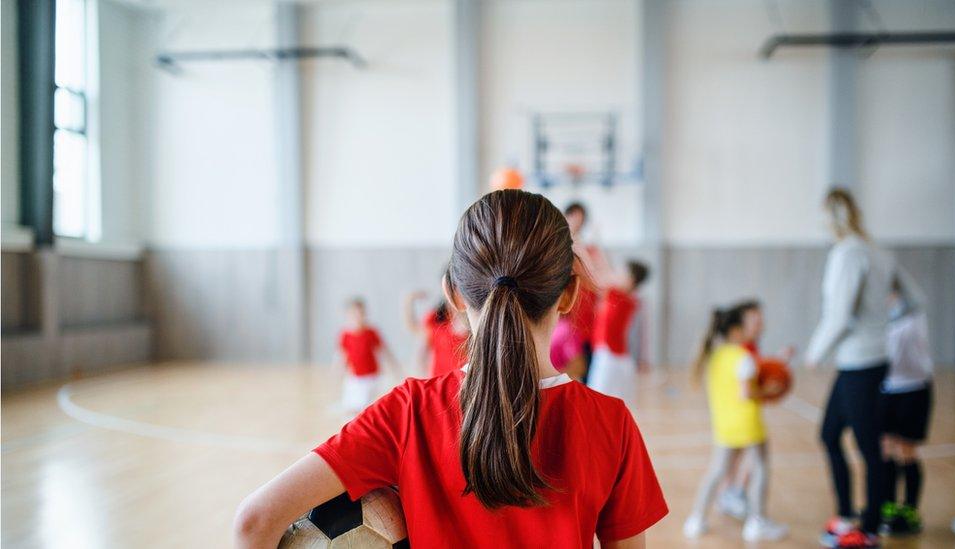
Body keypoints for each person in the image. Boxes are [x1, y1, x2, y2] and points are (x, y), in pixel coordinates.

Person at [234, 190, 668, 548]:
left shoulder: (406, 412)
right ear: (571, 293)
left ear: (455, 296)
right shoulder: (612, 424)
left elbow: (254, 522)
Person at [805, 187, 918, 548]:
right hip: (865, 360)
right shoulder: (878, 251)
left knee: (870, 447)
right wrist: (882, 323)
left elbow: (838, 316)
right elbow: (916, 300)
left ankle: (869, 530)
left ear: (830, 216)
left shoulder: (848, 252)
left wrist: (814, 353)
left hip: (859, 363)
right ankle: (847, 516)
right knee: (830, 434)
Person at [683, 305, 789, 542]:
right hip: (748, 423)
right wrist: (769, 389)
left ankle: (696, 518)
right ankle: (757, 522)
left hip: (723, 424)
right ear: (735, 330)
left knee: (716, 471)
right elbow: (746, 394)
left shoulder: (716, 356)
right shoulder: (743, 358)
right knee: (760, 468)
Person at [717, 300, 795, 520]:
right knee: (752, 461)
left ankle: (729, 495)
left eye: (761, 320)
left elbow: (757, 369)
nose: (760, 324)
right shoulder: (741, 350)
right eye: (755, 320)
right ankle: (738, 499)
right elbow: (749, 385)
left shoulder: (747, 347)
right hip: (741, 415)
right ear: (740, 325)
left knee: (735, 458)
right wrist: (769, 389)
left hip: (734, 415)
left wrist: (778, 360)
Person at [879, 278, 931, 536]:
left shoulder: (912, 319)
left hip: (913, 389)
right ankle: (888, 507)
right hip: (886, 390)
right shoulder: (877, 321)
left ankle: (910, 510)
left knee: (907, 450)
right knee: (886, 449)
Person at [585, 260, 651, 406]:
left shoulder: (620, 297)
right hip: (616, 358)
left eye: (622, 273)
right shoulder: (623, 296)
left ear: (631, 280)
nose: (616, 275)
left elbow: (597, 275)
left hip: (610, 358)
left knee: (597, 401)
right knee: (608, 403)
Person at [333, 298, 399, 413]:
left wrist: (394, 368)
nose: (358, 317)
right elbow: (342, 355)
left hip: (371, 377)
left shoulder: (371, 332)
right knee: (349, 406)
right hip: (354, 377)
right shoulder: (345, 335)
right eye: (354, 314)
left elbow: (384, 351)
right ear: (348, 315)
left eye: (361, 313)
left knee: (364, 406)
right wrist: (338, 371)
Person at [563, 202, 600, 383]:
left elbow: (597, 278)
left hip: (587, 319)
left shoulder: (589, 249)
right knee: (568, 369)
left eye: (581, 219)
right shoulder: (561, 250)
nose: (578, 222)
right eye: (574, 217)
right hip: (568, 319)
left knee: (587, 368)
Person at [403, 290, 469, 377]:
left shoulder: (470, 331)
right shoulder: (438, 329)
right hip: (438, 381)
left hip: (460, 381)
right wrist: (409, 301)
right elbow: (413, 326)